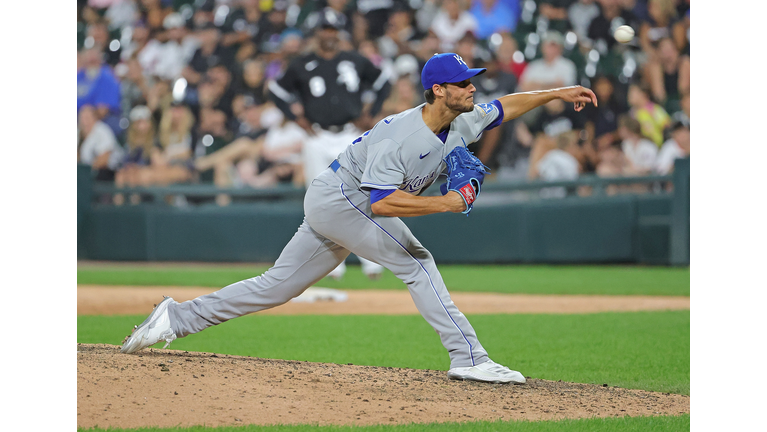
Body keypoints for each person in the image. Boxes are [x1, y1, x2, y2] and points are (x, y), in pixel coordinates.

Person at [120, 52, 598, 385]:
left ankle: (177, 318)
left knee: (277, 286)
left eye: (472, 80)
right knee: (416, 261)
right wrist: (445, 204)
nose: (473, 88)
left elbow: (504, 107)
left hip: (336, 201)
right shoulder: (401, 136)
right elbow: (382, 203)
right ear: (438, 90)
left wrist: (557, 93)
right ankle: (469, 357)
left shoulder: (461, 116)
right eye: (464, 83)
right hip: (341, 200)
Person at [268, 7, 392, 280]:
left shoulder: (354, 59)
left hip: (349, 134)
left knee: (360, 195)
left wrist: (372, 112)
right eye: (325, 29)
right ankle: (334, 265)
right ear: (317, 33)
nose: (329, 35)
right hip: (316, 136)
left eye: (333, 30)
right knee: (320, 201)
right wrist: (294, 117)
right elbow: (276, 91)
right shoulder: (302, 63)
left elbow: (384, 81)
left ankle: (371, 261)